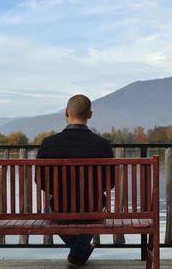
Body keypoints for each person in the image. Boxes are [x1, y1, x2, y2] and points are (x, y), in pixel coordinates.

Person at [36, 94, 114, 267]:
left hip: (59, 208)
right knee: (100, 206)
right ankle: (79, 252)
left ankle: (78, 251)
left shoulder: (48, 143)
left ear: (66, 112)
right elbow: (110, 184)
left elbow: (39, 182)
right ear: (90, 114)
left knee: (47, 210)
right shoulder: (103, 144)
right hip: (94, 208)